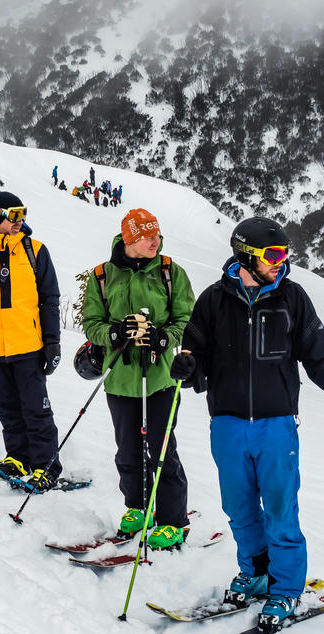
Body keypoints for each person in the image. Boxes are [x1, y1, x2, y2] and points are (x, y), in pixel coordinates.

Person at [171, 216, 324, 628]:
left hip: (276, 424)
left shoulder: (293, 298)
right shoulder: (214, 300)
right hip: (228, 423)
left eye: (285, 253)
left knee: (281, 510)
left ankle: (286, 589)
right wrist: (188, 367)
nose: (281, 261)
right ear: (246, 255)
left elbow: (318, 356)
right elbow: (196, 353)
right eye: (273, 254)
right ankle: (255, 573)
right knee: (239, 508)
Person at [80, 208, 195, 547]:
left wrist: (163, 338)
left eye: (157, 235)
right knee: (127, 450)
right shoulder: (102, 276)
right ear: (129, 239)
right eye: (147, 236)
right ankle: (137, 507)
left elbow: (187, 320)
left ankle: (173, 520)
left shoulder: (170, 272)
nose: (154, 241)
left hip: (160, 377)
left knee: (161, 450)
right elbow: (91, 323)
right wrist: (115, 333)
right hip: (119, 378)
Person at [0, 192, 62, 491]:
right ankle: (17, 457)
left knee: (36, 409)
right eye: (15, 215)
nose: (21, 221)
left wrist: (52, 341)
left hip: (28, 347)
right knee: (7, 410)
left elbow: (50, 299)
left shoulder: (36, 251)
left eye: (23, 214)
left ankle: (46, 464)